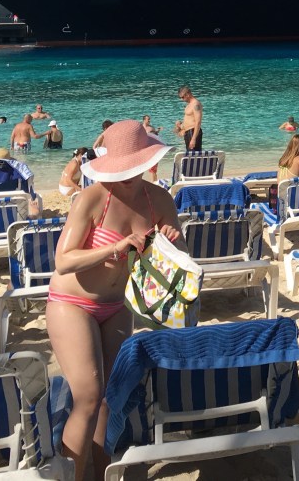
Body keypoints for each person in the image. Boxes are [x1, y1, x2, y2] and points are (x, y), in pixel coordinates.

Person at [48, 120, 181, 481]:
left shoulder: (160, 200)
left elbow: (178, 260)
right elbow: (63, 260)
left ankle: (100, 473)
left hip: (118, 305)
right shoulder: (93, 197)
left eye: (133, 168)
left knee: (110, 395)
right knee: (88, 396)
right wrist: (113, 247)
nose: (126, 175)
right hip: (71, 303)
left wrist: (172, 239)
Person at [176, 85, 203, 151]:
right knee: (190, 156)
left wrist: (193, 138)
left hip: (193, 132)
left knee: (194, 156)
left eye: (182, 97)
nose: (182, 99)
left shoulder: (195, 104)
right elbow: (189, 120)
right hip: (188, 132)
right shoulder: (189, 104)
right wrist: (181, 127)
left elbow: (198, 121)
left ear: (187, 94)